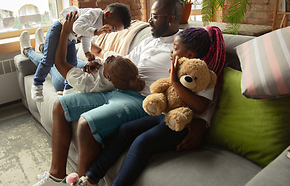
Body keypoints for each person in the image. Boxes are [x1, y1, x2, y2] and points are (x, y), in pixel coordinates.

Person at [33, 0, 205, 186]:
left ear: (171, 19)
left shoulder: (184, 47)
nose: (149, 21)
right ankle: (55, 176)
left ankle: (83, 183)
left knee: (86, 124)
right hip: (119, 88)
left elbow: (200, 81)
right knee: (60, 105)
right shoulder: (149, 41)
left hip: (142, 100)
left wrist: (202, 123)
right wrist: (99, 63)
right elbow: (126, 62)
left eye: (154, 17)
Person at [71, 26, 226, 186]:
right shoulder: (176, 66)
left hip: (179, 123)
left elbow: (200, 106)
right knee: (125, 130)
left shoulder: (203, 73)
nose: (171, 51)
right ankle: (91, 178)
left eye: (175, 48)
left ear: (190, 55)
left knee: (142, 142)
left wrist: (174, 82)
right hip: (163, 115)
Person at [21, 3, 131, 102]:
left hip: (71, 37)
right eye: (113, 27)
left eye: (114, 31)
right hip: (59, 29)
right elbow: (76, 26)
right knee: (48, 60)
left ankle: (68, 89)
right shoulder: (95, 13)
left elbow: (87, 37)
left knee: (72, 63)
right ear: (107, 14)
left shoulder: (99, 26)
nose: (110, 31)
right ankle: (37, 85)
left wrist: (87, 51)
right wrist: (95, 31)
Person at [54, 11, 145, 94]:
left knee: (48, 60)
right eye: (114, 57)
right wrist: (81, 35)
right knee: (75, 58)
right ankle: (43, 46)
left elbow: (59, 63)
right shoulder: (119, 64)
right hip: (82, 69)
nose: (108, 58)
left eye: (108, 61)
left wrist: (65, 31)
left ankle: (41, 47)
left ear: (108, 77)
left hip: (67, 80)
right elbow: (100, 51)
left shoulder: (89, 83)